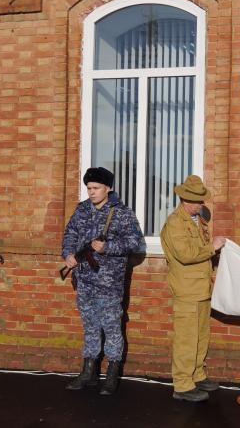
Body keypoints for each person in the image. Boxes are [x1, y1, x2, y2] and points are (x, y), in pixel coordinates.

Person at [62, 167, 146, 395]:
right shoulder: (81, 211)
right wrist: (68, 254)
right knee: (89, 326)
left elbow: (137, 243)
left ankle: (111, 374)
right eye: (89, 188)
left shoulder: (122, 213)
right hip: (84, 280)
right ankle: (88, 371)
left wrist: (109, 247)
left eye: (96, 188)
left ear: (108, 188)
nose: (91, 192)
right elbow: (69, 233)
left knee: (111, 327)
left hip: (109, 283)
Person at [160, 175, 226, 402]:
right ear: (185, 199)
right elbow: (186, 255)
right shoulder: (175, 223)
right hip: (186, 291)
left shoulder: (197, 220)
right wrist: (212, 247)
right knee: (186, 339)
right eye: (197, 201)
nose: (201, 204)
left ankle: (197, 375)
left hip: (201, 289)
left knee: (201, 337)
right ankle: (182, 384)